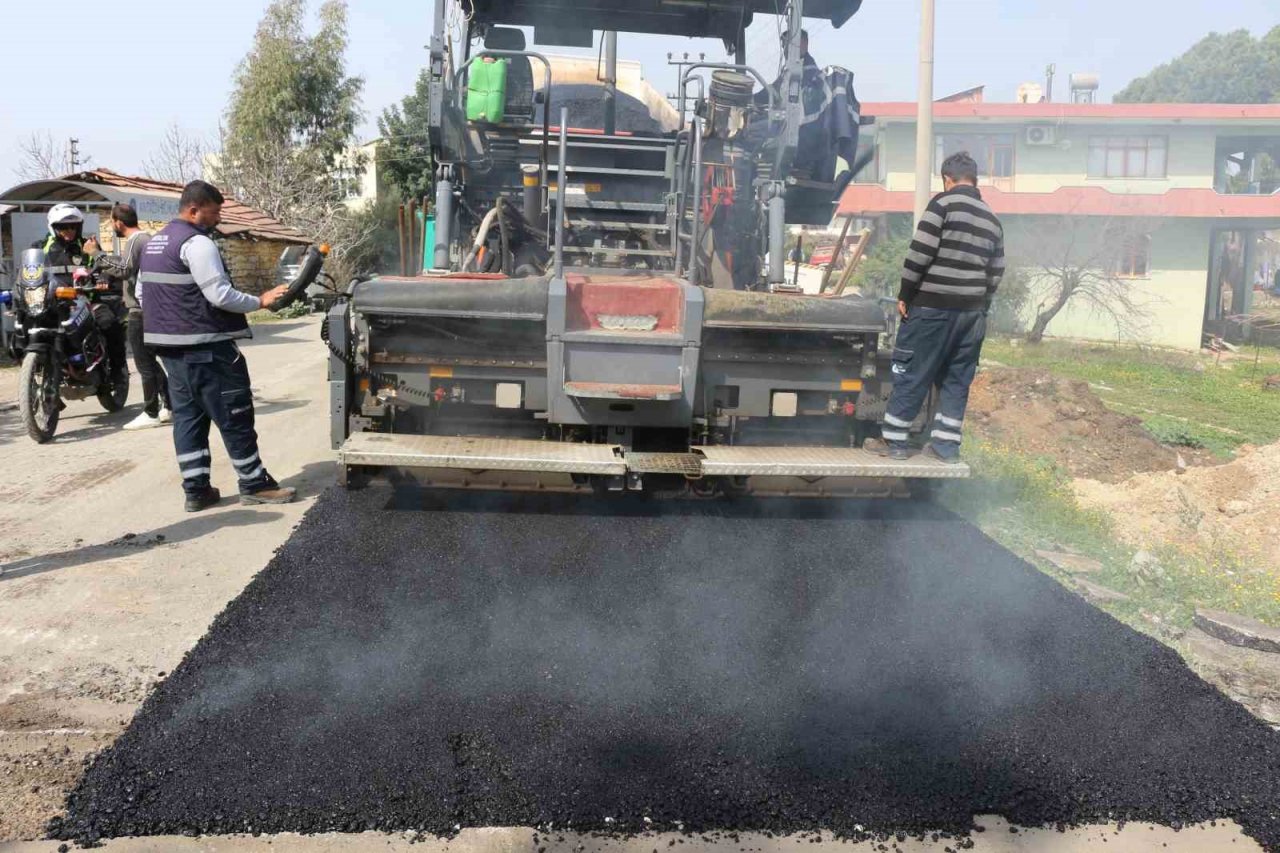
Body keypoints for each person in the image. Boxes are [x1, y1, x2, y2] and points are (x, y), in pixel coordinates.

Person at [138, 180, 295, 512]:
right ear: (194, 209)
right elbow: (220, 295)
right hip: (207, 348)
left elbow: (142, 295)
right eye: (214, 211)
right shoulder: (197, 244)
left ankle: (196, 490)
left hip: (171, 352)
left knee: (189, 419)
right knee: (234, 412)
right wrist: (261, 300)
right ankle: (254, 484)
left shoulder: (155, 244)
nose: (219, 218)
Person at [864, 151, 1005, 463]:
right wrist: (979, 306)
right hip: (972, 315)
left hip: (932, 309)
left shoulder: (942, 205)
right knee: (956, 380)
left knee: (913, 371)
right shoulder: (992, 220)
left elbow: (919, 255)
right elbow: (995, 272)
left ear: (947, 179)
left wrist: (906, 294)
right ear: (975, 180)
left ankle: (895, 442)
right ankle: (946, 447)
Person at [35, 204, 129, 391]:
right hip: (52, 303)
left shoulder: (88, 245)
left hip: (87, 300)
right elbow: (29, 271)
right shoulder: (40, 247)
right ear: (53, 228)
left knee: (109, 323)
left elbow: (104, 266)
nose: (69, 231)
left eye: (73, 226)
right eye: (63, 227)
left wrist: (103, 278)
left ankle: (118, 371)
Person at [97, 203, 172, 430]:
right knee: (151, 361)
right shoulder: (147, 239)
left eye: (112, 222)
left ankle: (151, 412)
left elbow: (125, 269)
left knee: (144, 363)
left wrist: (97, 255)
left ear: (118, 222)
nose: (112, 226)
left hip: (141, 310)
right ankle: (169, 405)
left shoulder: (135, 240)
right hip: (151, 307)